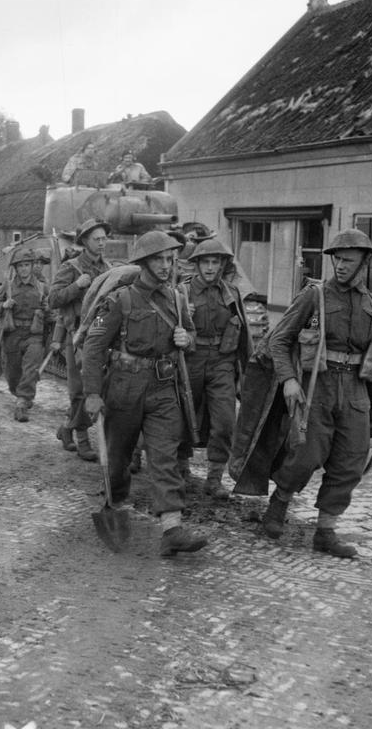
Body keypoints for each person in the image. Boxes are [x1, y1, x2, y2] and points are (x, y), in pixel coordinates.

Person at [237, 229, 372, 558]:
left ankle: (326, 530)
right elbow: (278, 340)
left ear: (365, 264)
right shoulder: (314, 296)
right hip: (317, 387)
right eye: (337, 260)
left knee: (350, 463)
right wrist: (289, 378)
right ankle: (278, 504)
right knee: (306, 454)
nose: (341, 266)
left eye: (349, 261)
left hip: (357, 392)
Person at [81, 230, 208, 557]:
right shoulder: (120, 300)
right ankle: (113, 500)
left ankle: (171, 528)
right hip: (124, 387)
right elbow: (94, 349)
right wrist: (93, 394)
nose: (166, 265)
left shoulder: (177, 301)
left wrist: (186, 339)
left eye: (170, 259)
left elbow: (191, 337)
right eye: (159, 259)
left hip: (164, 388)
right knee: (119, 457)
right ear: (143, 262)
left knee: (164, 455)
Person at [177, 239, 253, 499]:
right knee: (185, 416)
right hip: (191, 359)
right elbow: (166, 329)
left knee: (225, 420)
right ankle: (182, 468)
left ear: (222, 265)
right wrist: (181, 313)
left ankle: (214, 478)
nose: (210, 268)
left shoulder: (231, 293)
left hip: (222, 361)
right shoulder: (182, 291)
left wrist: (248, 370)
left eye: (215, 262)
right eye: (205, 262)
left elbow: (244, 334)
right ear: (196, 265)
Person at [48, 217, 111, 460]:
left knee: (97, 388)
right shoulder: (71, 267)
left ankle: (66, 428)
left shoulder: (108, 269)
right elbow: (53, 300)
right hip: (76, 338)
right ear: (84, 241)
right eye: (97, 239)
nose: (102, 243)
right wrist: (76, 285)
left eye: (104, 238)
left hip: (102, 337)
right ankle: (83, 440)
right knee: (80, 391)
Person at [0, 248, 50, 422]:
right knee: (13, 374)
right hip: (12, 335)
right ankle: (20, 394)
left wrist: (47, 309)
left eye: (27, 265)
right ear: (16, 268)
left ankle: (22, 402)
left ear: (32, 267)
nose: (24, 269)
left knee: (30, 369)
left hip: (33, 334)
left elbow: (53, 313)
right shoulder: (7, 286)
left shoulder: (42, 287)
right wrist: (4, 305)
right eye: (20, 265)